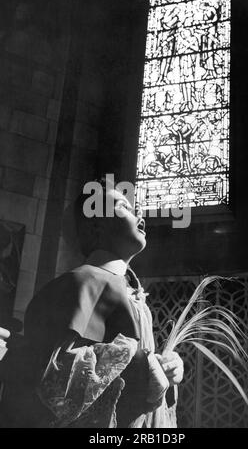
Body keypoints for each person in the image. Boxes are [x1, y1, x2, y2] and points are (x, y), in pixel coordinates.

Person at [0, 178, 184, 428]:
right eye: (123, 207)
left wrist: (168, 369)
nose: (139, 215)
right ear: (95, 227)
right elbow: (55, 376)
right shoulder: (84, 281)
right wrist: (147, 366)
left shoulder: (130, 291)